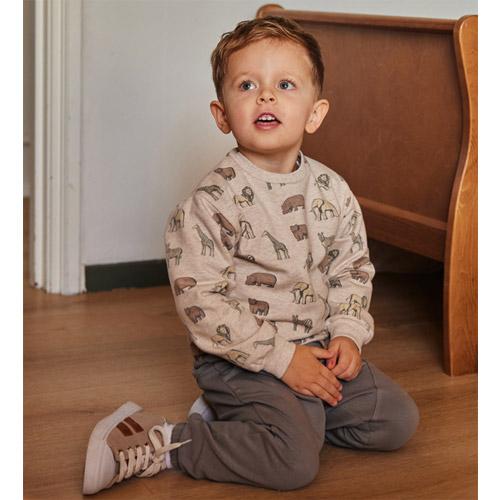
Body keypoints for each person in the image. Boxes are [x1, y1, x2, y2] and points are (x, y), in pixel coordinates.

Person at [82, 15, 419, 495]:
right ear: (222, 115)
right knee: (294, 464)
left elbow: (351, 269)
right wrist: (282, 361)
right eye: (247, 85)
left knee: (397, 420)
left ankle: (271, 421)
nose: (265, 96)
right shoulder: (210, 203)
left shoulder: (333, 190)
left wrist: (347, 333)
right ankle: (167, 440)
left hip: (317, 346)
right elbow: (203, 303)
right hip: (239, 356)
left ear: (315, 113)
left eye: (285, 84)